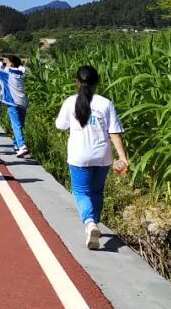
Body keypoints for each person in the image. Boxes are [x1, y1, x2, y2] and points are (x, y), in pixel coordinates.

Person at [55, 65, 129, 250]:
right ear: (97, 83)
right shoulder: (105, 103)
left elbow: (60, 126)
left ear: (77, 83)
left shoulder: (70, 102)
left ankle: (90, 223)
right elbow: (114, 132)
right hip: (102, 156)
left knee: (80, 191)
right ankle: (93, 223)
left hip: (79, 156)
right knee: (96, 191)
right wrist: (122, 157)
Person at [0, 54, 29, 156]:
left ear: (11, 64)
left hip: (12, 102)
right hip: (23, 102)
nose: (6, 63)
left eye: (8, 62)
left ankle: (22, 146)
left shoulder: (7, 72)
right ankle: (16, 145)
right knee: (20, 125)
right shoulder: (21, 72)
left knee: (16, 125)